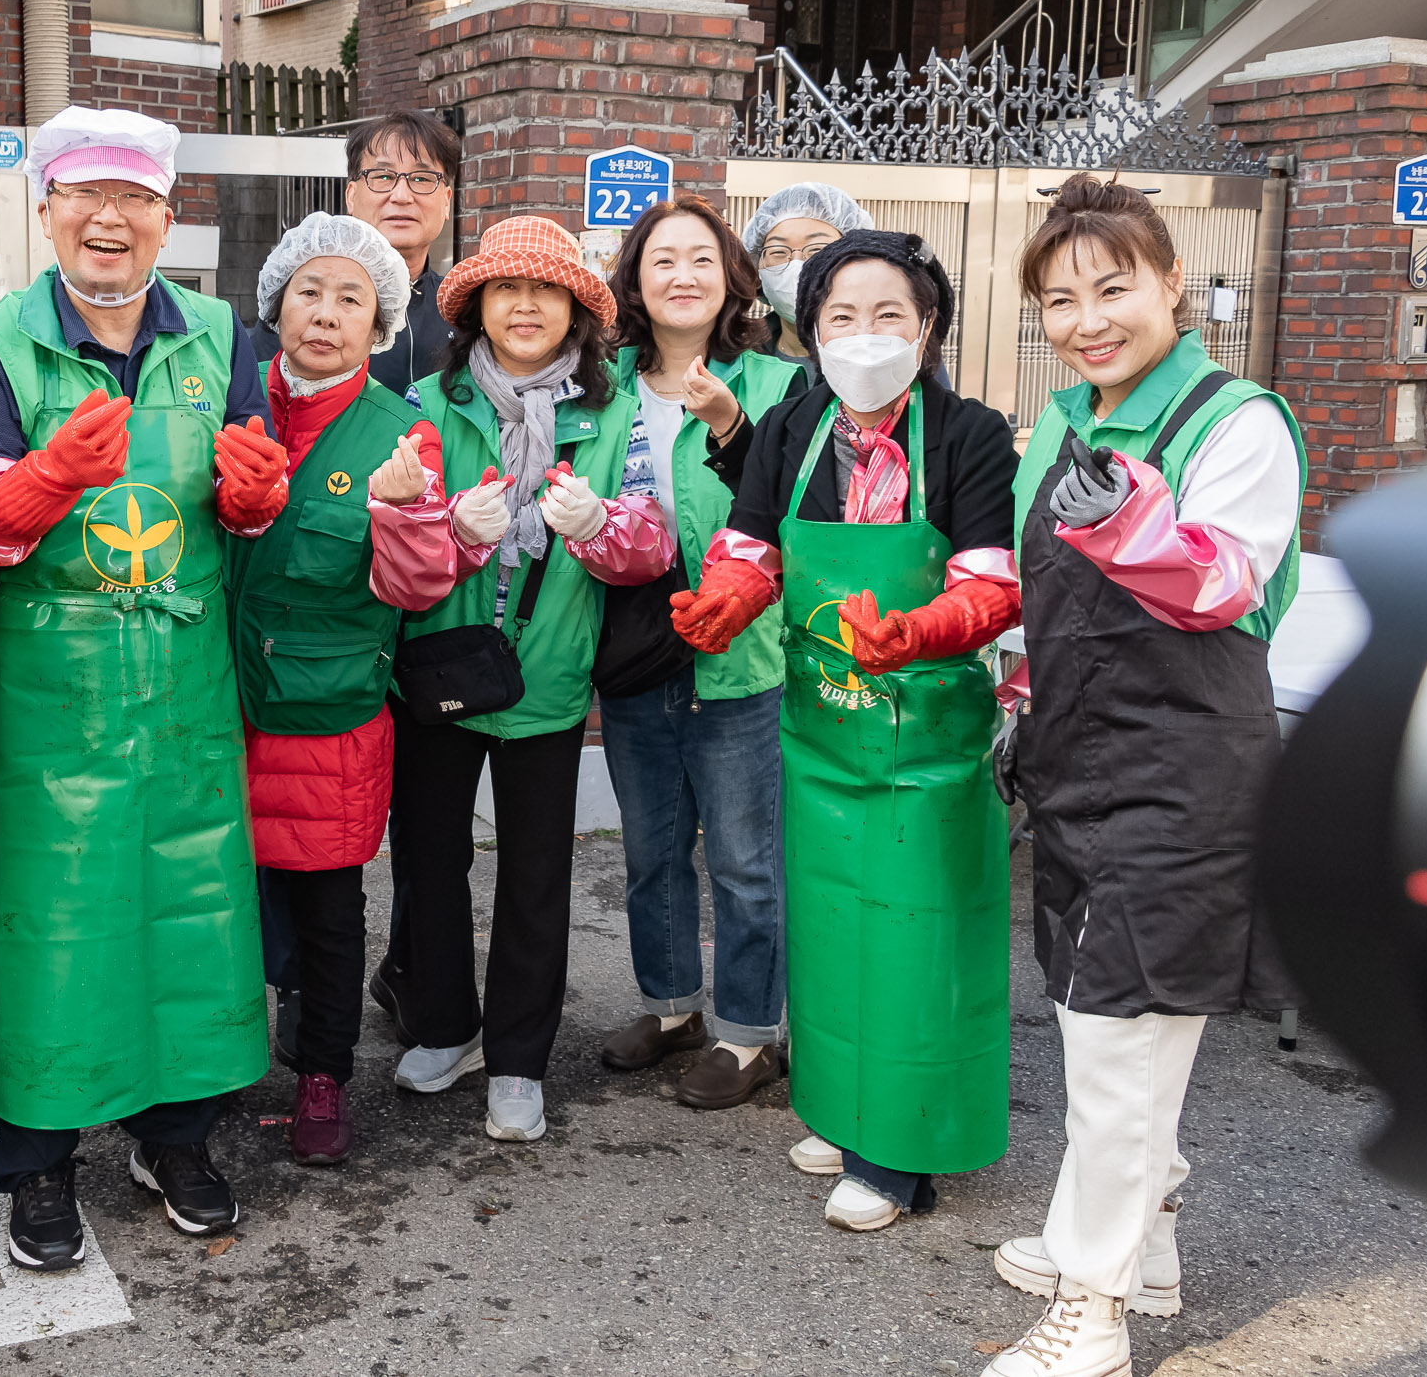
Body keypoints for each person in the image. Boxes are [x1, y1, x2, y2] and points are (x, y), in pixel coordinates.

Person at [0, 106, 285, 1271]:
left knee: (192, 907)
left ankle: (174, 1133)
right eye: (85, 195)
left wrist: (251, 497)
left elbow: (246, 490)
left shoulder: (220, 332)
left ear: (166, 217)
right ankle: (35, 1159)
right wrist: (42, 480)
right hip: (60, 690)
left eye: (134, 198)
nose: (109, 219)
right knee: (56, 921)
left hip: (185, 684)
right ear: (45, 212)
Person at [980, 178, 1304, 1377]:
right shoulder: (1066, 422)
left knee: (1120, 1039)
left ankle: (1093, 1303)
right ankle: (1144, 1242)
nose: (1086, 319)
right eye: (1058, 300)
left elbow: (1217, 580)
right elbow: (1037, 602)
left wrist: (1129, 521)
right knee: (1093, 1022)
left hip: (1183, 775)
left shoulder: (1238, 420)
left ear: (1172, 281)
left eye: (1112, 288)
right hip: (1075, 765)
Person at [674, 228, 1019, 1232]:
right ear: (808, 330)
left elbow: (990, 579)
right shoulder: (790, 427)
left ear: (929, 327)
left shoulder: (969, 434)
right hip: (823, 727)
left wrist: (922, 629)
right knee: (829, 928)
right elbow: (751, 542)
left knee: (912, 940)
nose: (864, 337)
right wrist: (727, 599)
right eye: (840, 317)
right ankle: (840, 1103)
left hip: (928, 743)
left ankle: (899, 1148)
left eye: (889, 316)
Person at [389, 215, 674, 1143]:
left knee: (537, 876)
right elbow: (395, 553)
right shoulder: (429, 402)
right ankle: (444, 1026)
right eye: (504, 290)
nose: (523, 305)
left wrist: (595, 523)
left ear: (575, 313)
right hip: (437, 669)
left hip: (548, 679)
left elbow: (649, 547)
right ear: (474, 307)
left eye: (545, 291)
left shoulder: (615, 413)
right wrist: (455, 537)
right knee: (430, 862)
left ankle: (518, 1059)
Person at [232, 212, 454, 1166]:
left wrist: (404, 511)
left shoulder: (402, 434)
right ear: (276, 301)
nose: (324, 314)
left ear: (382, 323)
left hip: (328, 712)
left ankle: (324, 1073)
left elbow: (417, 586)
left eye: (350, 299)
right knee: (217, 900)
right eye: (308, 292)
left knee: (327, 909)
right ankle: (213, 1065)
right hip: (213, 704)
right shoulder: (228, 400)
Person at [595, 197, 806, 1109]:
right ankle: (671, 1002)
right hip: (636, 651)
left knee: (746, 860)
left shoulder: (778, 385)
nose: (682, 275)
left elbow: (799, 511)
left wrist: (727, 422)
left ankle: (754, 1031)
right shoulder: (600, 384)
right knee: (650, 850)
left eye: (701, 260)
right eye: (661, 260)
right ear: (636, 281)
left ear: (730, 280)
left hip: (744, 654)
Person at [252, 109, 458, 393]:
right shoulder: (300, 303)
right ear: (351, 196)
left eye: (422, 178)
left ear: (446, 202)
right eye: (383, 176)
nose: (401, 195)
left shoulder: (461, 311)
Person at [739, 182, 873, 378]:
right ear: (757, 270)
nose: (797, 267)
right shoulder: (738, 363)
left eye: (817, 250)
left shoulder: (883, 359)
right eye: (778, 251)